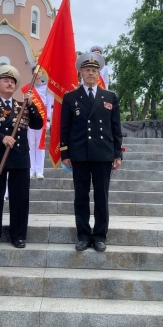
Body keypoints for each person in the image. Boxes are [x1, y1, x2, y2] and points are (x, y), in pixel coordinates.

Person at [60, 52, 123, 252]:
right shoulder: (70, 98)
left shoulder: (109, 97)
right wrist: (65, 154)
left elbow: (116, 127)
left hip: (103, 154)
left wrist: (117, 154)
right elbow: (65, 128)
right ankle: (84, 235)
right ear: (81, 73)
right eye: (87, 70)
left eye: (94, 70)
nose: (90, 73)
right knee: (81, 196)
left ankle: (100, 236)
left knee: (102, 196)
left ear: (98, 74)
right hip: (79, 154)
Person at [0, 65, 43, 249]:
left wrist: (31, 105)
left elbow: (37, 125)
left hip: (20, 157)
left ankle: (19, 236)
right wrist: (1, 138)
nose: (10, 83)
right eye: (6, 80)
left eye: (13, 81)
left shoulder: (22, 106)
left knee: (20, 198)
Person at [26, 64, 53, 179]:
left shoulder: (47, 87)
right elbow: (26, 105)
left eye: (40, 71)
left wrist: (47, 121)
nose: (37, 73)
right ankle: (31, 170)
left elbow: (49, 104)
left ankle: (39, 170)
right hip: (31, 120)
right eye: (35, 71)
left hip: (42, 118)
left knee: (40, 145)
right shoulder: (28, 87)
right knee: (31, 144)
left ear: (42, 73)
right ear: (32, 73)